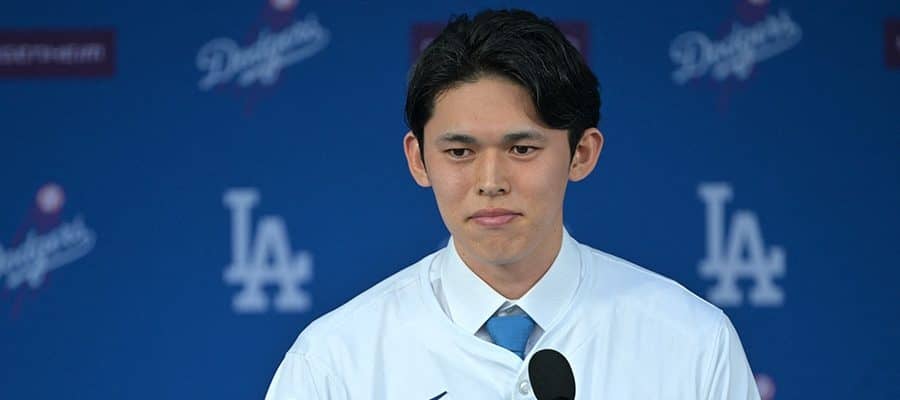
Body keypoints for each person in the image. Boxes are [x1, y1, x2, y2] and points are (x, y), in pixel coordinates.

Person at [265, 9, 760, 400]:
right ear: (418, 160)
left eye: (522, 149)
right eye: (459, 152)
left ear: (582, 153)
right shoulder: (334, 361)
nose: (490, 182)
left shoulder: (692, 341)